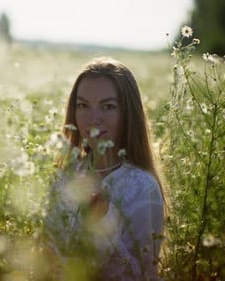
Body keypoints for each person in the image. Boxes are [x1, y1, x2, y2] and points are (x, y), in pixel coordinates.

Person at [44, 57, 165, 280]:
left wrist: (101, 222)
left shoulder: (141, 186)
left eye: (107, 106)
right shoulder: (63, 177)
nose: (93, 119)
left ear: (128, 113)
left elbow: (138, 273)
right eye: (83, 106)